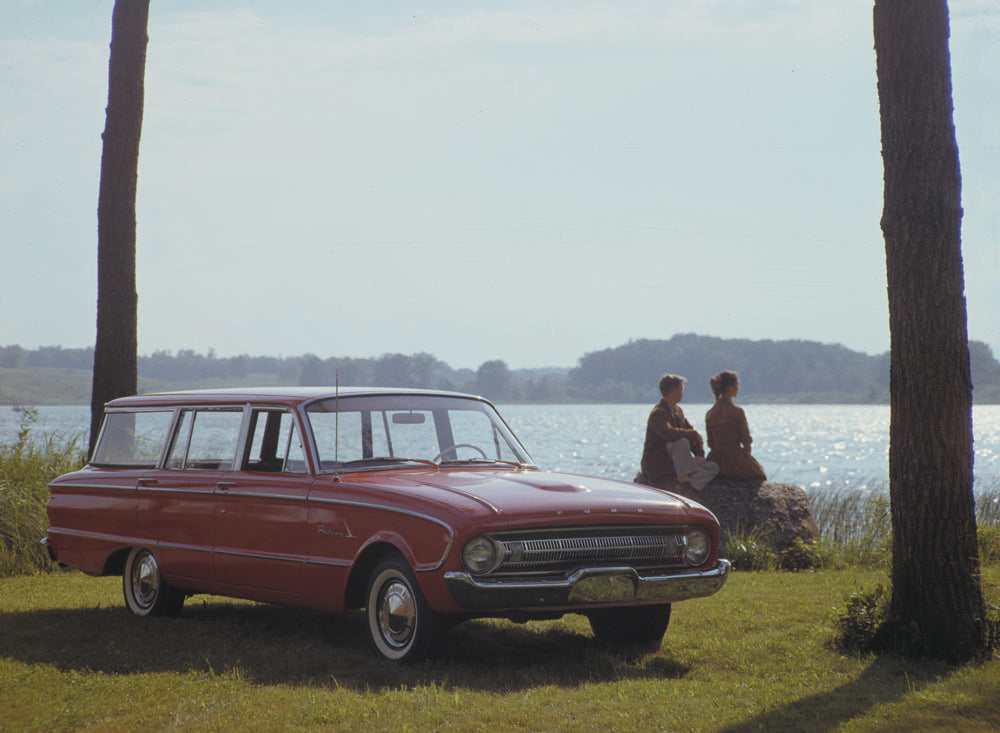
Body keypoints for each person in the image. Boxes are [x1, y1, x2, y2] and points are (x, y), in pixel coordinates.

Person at [640, 373, 719, 491]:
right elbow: (668, 433)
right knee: (681, 442)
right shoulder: (658, 413)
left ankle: (690, 481)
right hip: (657, 463)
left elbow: (691, 433)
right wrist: (691, 434)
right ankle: (684, 479)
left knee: (713, 467)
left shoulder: (678, 411)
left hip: (676, 464)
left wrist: (699, 455)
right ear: (673, 391)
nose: (683, 392)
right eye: (681, 389)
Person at [705, 370, 767, 481]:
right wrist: (746, 460)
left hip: (716, 459)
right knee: (760, 476)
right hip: (735, 459)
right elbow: (746, 440)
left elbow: (710, 443)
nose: (738, 388)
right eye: (737, 385)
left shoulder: (710, 413)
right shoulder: (737, 411)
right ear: (730, 388)